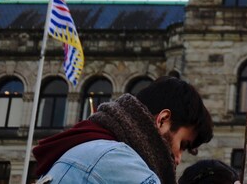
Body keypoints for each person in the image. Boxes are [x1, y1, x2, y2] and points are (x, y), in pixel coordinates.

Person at [33, 76, 214, 184]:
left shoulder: (90, 146)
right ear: (163, 120)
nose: (178, 158)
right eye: (182, 144)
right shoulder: (119, 162)